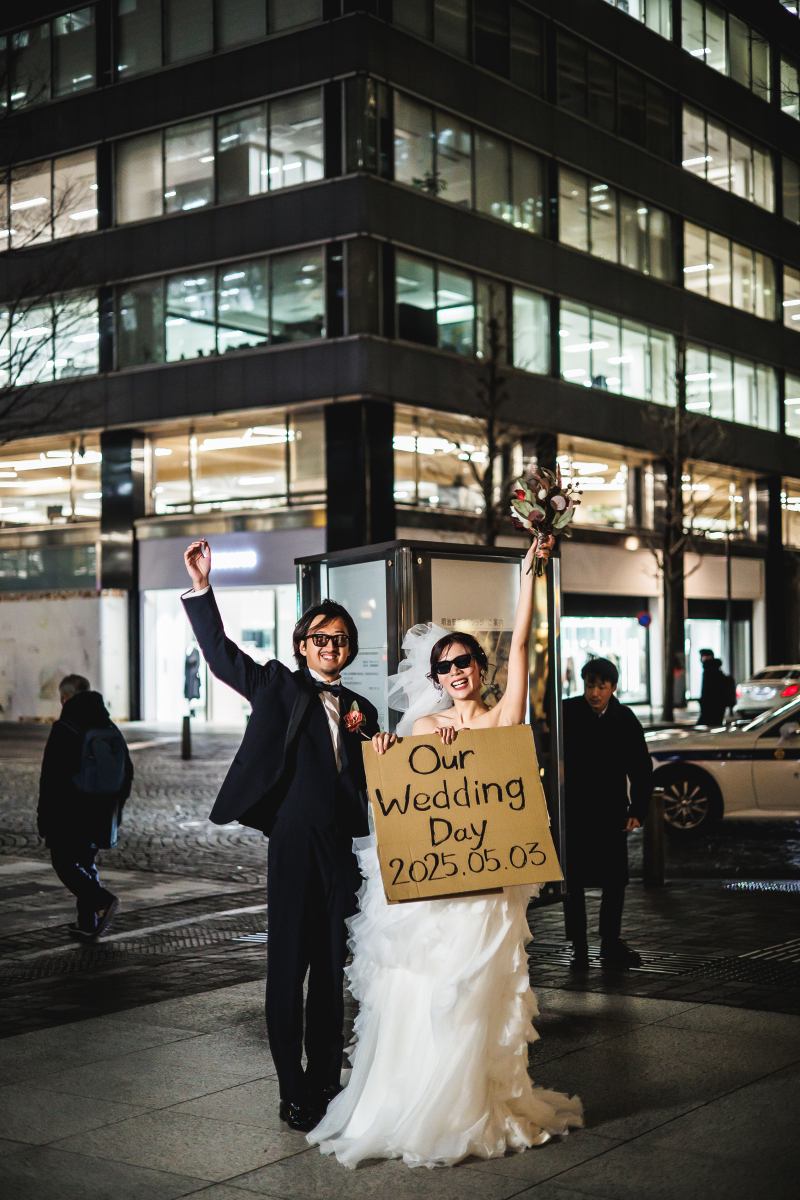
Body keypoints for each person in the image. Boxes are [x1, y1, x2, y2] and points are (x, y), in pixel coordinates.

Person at [307, 539, 583, 1169]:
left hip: (489, 892)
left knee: (480, 997)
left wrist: (532, 572)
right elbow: (400, 797)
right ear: (434, 680)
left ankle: (475, 1107)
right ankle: (414, 1102)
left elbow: (522, 646)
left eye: (465, 661)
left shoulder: (502, 719)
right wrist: (387, 749)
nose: (457, 672)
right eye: (445, 667)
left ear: (481, 668)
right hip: (437, 894)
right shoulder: (425, 729)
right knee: (428, 991)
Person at [182, 539, 379, 1134]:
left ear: (349, 648)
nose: (331, 646)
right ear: (302, 645)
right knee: (289, 970)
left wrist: (384, 742)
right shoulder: (277, 685)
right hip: (292, 841)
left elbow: (379, 772)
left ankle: (324, 1079)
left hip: (341, 850)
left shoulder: (361, 707)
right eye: (321, 638)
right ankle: (292, 1090)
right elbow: (221, 656)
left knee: (330, 970)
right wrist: (202, 589)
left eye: (340, 639)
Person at [562, 658, 652, 970]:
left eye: (602, 687)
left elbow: (641, 768)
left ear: (613, 687)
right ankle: (579, 945)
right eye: (590, 685)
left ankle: (610, 941)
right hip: (574, 811)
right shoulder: (567, 712)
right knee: (573, 882)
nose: (595, 693)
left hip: (611, 810)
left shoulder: (624, 719)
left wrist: (638, 809)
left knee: (615, 880)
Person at [37, 674, 132, 941]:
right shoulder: (107, 725)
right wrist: (116, 808)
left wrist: (44, 816)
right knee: (86, 862)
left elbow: (51, 777)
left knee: (64, 863)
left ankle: (102, 900)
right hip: (103, 809)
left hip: (71, 811)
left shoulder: (66, 727)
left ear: (65, 698)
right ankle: (88, 922)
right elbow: (127, 772)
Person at [698, 653, 734, 726]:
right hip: (720, 703)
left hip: (710, 703)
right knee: (716, 722)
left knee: (707, 723)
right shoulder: (718, 673)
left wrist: (703, 701)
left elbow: (706, 690)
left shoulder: (708, 672)